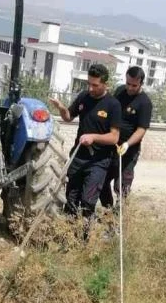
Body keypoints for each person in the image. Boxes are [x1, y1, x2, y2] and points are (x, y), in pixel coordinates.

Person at [49, 63, 122, 226]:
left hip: (98, 161)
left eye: (95, 85)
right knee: (71, 201)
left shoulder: (113, 105)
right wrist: (61, 108)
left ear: (105, 84)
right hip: (78, 157)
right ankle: (68, 239)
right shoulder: (84, 97)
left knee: (87, 202)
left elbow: (114, 137)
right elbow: (68, 117)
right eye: (89, 83)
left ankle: (84, 240)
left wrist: (94, 137)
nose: (90, 88)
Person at [100, 65, 152, 209]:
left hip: (128, 152)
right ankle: (108, 214)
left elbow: (141, 130)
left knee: (121, 187)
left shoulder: (144, 103)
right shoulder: (120, 91)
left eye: (134, 85)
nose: (130, 87)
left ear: (141, 83)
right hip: (111, 147)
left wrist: (127, 144)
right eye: (128, 83)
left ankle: (119, 219)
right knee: (101, 181)